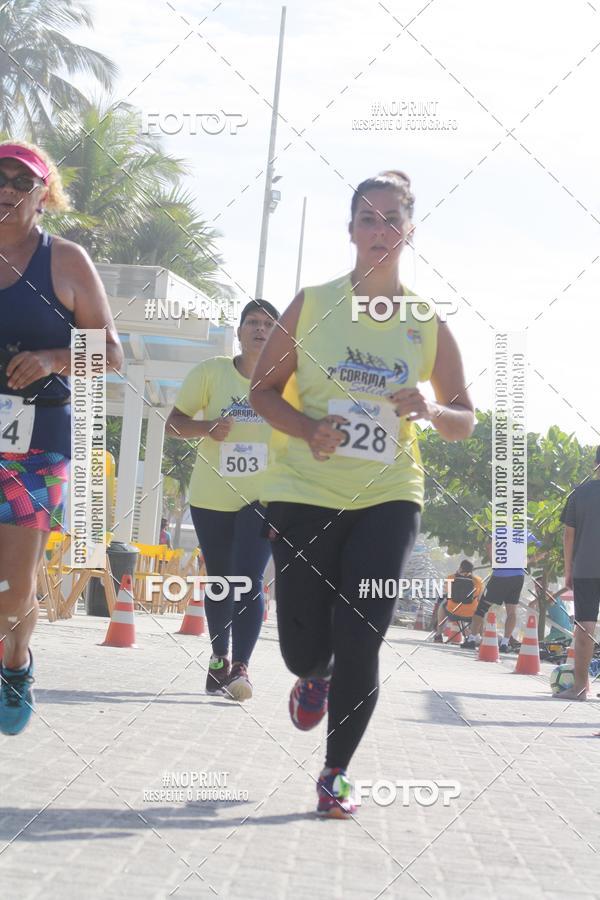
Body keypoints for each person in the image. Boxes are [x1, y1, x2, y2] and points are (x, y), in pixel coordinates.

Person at [250, 170, 475, 817]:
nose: (380, 230)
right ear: (350, 230)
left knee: (362, 632)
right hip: (305, 492)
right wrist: (307, 428)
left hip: (389, 496)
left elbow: (465, 419)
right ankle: (312, 678)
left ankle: (335, 774)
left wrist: (431, 408)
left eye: (392, 219)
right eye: (368, 219)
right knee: (302, 649)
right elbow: (262, 391)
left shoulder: (425, 323)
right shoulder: (314, 304)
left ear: (409, 230)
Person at [0, 141, 123, 735]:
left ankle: (15, 662)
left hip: (35, 439)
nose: (5, 189)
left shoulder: (65, 261)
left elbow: (112, 353)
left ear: (43, 195)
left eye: (20, 181)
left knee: (13, 584)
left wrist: (52, 357)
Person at [166, 300, 279, 701]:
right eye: (252, 322)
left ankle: (242, 667)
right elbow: (174, 424)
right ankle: (218, 656)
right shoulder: (210, 373)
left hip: (264, 497)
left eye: (268, 323)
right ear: (239, 331)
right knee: (220, 581)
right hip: (212, 495)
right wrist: (206, 427)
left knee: (248, 581)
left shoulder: (288, 382)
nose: (260, 329)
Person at [554, 446, 600, 701]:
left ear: (595, 464)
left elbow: (568, 535)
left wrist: (569, 569)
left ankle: (581, 688)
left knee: (585, 626)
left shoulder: (579, 494)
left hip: (585, 568)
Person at [462, 529, 542, 652]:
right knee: (512, 611)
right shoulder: (527, 534)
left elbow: (489, 547)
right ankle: (505, 643)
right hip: (517, 577)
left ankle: (472, 639)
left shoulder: (499, 531)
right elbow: (544, 550)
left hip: (500, 576)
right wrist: (527, 561)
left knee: (481, 608)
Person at [433, 560, 483, 643]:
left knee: (443, 604)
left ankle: (438, 634)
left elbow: (446, 594)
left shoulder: (450, 578)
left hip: (452, 612)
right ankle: (477, 637)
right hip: (471, 615)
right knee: (481, 608)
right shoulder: (478, 581)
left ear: (460, 568)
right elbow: (479, 597)